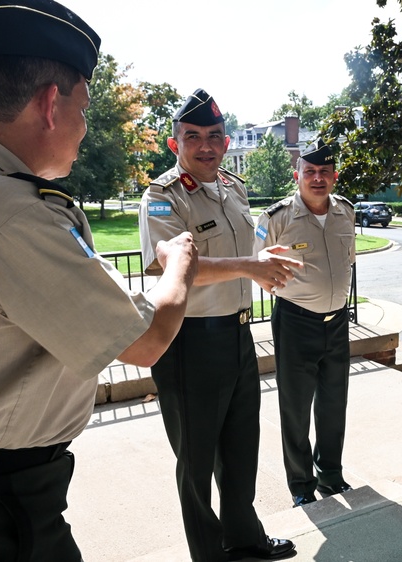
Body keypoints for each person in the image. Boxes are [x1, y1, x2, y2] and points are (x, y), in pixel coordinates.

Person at [0, 2, 199, 561]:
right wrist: (179, 263)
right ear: (51, 103)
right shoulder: (10, 212)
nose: (83, 128)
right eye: (84, 108)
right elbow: (144, 343)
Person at [139, 89, 300, 562]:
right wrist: (250, 267)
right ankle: (208, 555)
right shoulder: (163, 198)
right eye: (193, 137)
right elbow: (176, 270)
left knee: (240, 449)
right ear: (176, 145)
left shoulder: (233, 187)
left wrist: (260, 262)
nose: (205, 146)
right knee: (195, 464)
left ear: (227, 143)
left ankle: (243, 539)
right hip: (189, 342)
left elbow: (237, 256)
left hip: (235, 334)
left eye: (214, 137)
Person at [253, 139, 356, 509]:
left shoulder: (347, 212)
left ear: (334, 176)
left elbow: (348, 261)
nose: (317, 178)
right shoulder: (276, 218)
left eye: (324, 172)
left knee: (333, 404)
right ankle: (300, 484)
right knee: (295, 409)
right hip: (296, 322)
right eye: (309, 172)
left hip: (338, 322)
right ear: (297, 175)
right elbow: (257, 263)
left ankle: (331, 475)